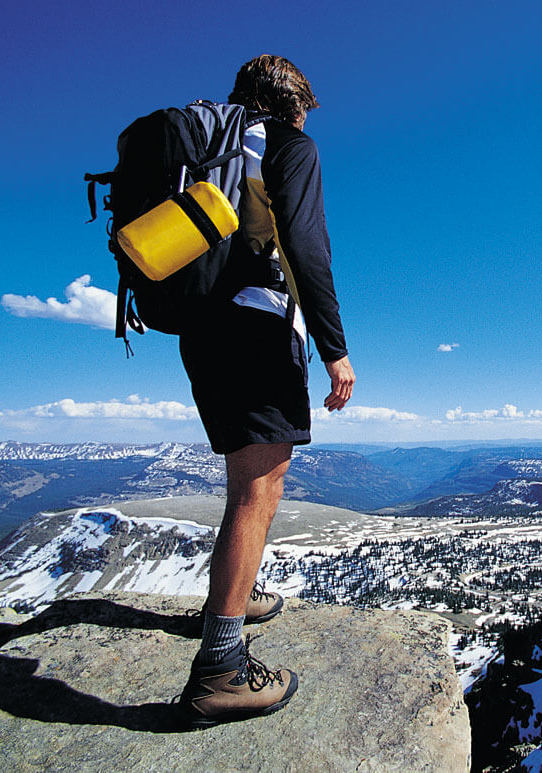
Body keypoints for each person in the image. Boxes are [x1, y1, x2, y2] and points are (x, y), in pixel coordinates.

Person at [177, 54, 355, 727]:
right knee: (260, 487)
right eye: (307, 109)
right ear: (294, 103)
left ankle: (236, 593)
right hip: (258, 322)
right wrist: (335, 350)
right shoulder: (287, 144)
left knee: (243, 477)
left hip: (201, 327)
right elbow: (307, 245)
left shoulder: (206, 152)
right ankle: (219, 669)